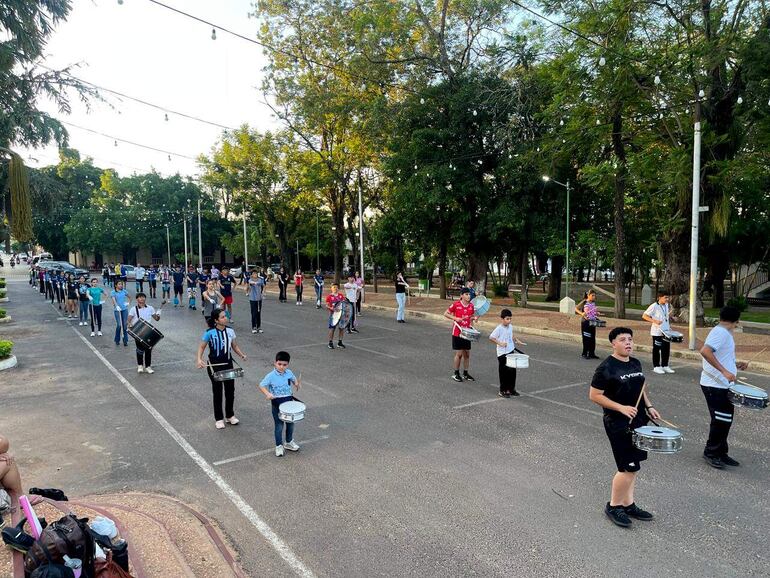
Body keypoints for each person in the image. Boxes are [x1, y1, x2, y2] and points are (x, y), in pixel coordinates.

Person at [589, 327, 660, 528]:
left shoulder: (635, 363)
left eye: (630, 339)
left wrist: (650, 406)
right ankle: (613, 506)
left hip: (638, 420)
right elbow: (594, 396)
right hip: (618, 422)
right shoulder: (606, 368)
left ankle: (628, 504)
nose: (628, 343)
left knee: (634, 465)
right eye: (622, 340)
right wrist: (621, 408)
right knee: (627, 467)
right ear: (613, 343)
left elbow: (641, 388)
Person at [698, 306, 748, 469]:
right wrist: (724, 371)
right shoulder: (721, 333)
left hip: (722, 385)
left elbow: (720, 355)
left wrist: (735, 364)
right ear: (737, 320)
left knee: (725, 420)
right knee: (720, 420)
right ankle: (711, 453)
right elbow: (705, 351)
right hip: (714, 385)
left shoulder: (723, 332)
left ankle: (721, 452)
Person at [196, 308, 247, 429]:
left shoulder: (230, 331)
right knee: (217, 392)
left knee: (230, 391)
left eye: (226, 316)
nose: (226, 318)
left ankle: (230, 415)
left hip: (228, 364)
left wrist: (241, 355)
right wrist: (199, 359)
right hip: (214, 366)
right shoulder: (209, 332)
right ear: (216, 320)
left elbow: (234, 345)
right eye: (223, 317)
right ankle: (219, 418)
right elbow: (202, 347)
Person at [259, 351, 302, 457]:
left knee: (290, 424)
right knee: (279, 426)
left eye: (284, 365)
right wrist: (267, 393)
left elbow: (293, 380)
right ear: (275, 363)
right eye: (279, 364)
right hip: (277, 405)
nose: (282, 367)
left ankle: (288, 442)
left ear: (288, 364)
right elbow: (261, 385)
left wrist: (296, 384)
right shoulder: (270, 376)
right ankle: (279, 446)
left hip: (289, 404)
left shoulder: (289, 373)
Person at [489, 309, 526, 397]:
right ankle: (502, 390)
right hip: (502, 353)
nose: (509, 321)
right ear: (502, 319)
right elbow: (491, 337)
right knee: (504, 372)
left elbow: (511, 334)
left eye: (510, 319)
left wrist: (516, 340)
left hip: (510, 351)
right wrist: (500, 343)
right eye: (507, 319)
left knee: (512, 371)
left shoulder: (510, 326)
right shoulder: (499, 328)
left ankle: (511, 389)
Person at [444, 288, 477, 382]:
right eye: (466, 294)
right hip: (457, 332)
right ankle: (456, 373)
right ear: (461, 295)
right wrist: (455, 318)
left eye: (469, 294)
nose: (469, 296)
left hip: (467, 333)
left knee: (467, 354)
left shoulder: (471, 306)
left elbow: (471, 318)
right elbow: (445, 313)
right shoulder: (456, 304)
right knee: (459, 354)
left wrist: (473, 321)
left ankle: (466, 373)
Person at [127, 292, 161, 374]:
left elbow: (156, 319)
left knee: (148, 349)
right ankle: (140, 365)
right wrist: (129, 324)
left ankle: (148, 366)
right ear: (137, 299)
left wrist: (159, 313)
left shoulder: (150, 308)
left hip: (148, 331)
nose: (142, 299)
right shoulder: (133, 309)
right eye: (140, 297)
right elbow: (129, 320)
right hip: (138, 331)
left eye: (143, 297)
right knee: (139, 349)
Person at [642, 292, 675, 374]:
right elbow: (644, 316)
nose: (667, 299)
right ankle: (656, 366)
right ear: (659, 297)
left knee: (666, 349)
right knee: (657, 349)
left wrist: (671, 319)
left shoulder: (666, 305)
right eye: (665, 297)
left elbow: (664, 317)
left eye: (668, 297)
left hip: (666, 331)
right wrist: (654, 321)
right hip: (657, 332)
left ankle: (665, 365)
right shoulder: (654, 306)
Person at [576, 289, 601, 359]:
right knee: (586, 338)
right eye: (592, 295)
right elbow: (576, 308)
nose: (594, 297)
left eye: (594, 296)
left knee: (592, 338)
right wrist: (582, 313)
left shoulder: (593, 303)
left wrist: (597, 313)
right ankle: (584, 353)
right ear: (588, 295)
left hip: (592, 322)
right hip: (585, 322)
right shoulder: (584, 302)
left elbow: (592, 312)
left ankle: (591, 353)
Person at [325, 283, 346, 349]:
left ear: (338, 288)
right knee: (332, 329)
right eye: (334, 287)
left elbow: (343, 304)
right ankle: (330, 342)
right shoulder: (329, 297)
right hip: (333, 315)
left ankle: (340, 342)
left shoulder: (341, 296)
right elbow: (327, 305)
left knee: (341, 328)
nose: (335, 288)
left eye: (336, 287)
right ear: (331, 288)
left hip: (341, 315)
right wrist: (332, 309)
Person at [111, 280, 131, 346]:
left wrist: (128, 303)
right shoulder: (113, 292)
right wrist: (116, 306)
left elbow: (130, 297)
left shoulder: (124, 291)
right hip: (117, 310)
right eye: (119, 284)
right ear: (116, 285)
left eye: (121, 284)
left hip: (124, 310)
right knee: (119, 325)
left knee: (125, 325)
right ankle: (117, 339)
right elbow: (113, 300)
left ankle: (125, 340)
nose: (121, 285)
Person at [246, 269, 265, 334]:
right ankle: (253, 327)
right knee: (253, 313)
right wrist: (254, 283)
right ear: (252, 274)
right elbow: (250, 283)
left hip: (259, 299)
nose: (255, 275)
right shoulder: (250, 280)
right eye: (253, 273)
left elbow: (262, 284)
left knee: (258, 313)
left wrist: (263, 293)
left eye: (256, 273)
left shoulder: (260, 280)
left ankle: (259, 327)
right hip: (252, 299)